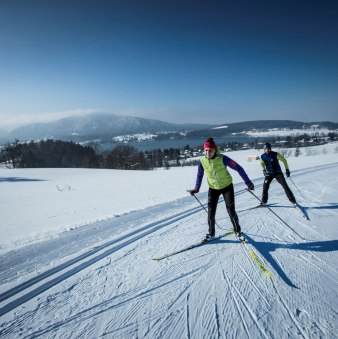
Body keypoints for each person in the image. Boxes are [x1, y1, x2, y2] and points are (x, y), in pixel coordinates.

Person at [189, 138, 254, 241]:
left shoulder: (223, 158)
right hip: (213, 188)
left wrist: (248, 182)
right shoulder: (202, 161)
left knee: (231, 210)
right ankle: (211, 234)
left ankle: (238, 231)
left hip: (227, 186)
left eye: (210, 150)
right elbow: (199, 175)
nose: (208, 152)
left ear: (215, 150)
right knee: (211, 212)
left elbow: (239, 168)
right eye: (206, 150)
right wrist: (196, 188)